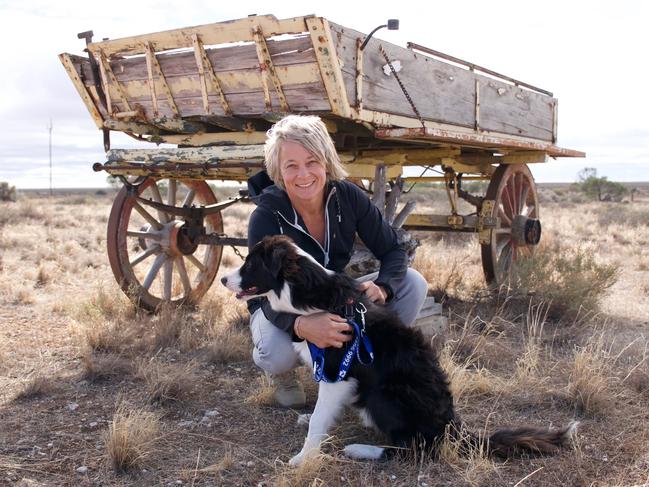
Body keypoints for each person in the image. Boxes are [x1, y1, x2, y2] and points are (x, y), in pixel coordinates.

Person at [246, 115, 428, 407]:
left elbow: (393, 250)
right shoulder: (266, 216)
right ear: (278, 171)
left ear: (326, 161)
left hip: (332, 295)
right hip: (282, 303)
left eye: (312, 161)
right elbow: (260, 295)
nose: (303, 174)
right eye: (291, 165)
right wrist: (300, 325)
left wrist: (382, 286)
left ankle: (365, 366)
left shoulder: (348, 197)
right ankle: (283, 376)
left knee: (413, 283)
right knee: (275, 352)